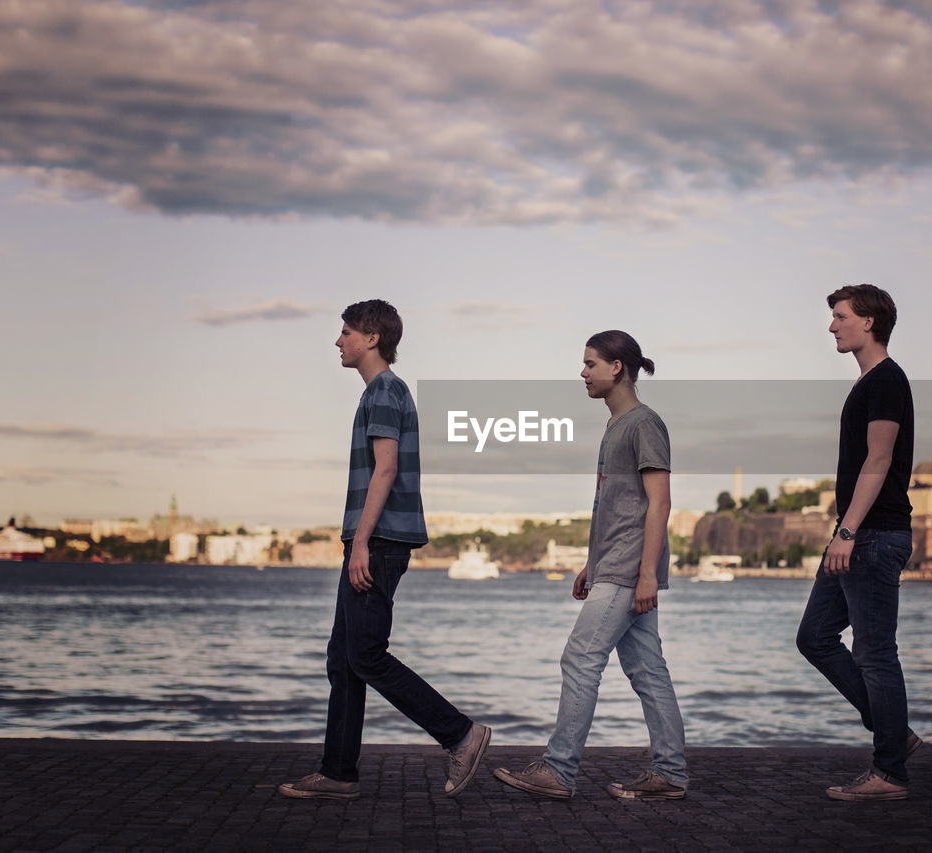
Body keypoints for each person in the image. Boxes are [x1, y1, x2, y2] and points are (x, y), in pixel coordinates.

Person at [279, 299, 490, 801]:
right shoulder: (383, 393)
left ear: (372, 338)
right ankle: (337, 773)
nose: (338, 341)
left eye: (346, 332)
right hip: (375, 540)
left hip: (378, 542)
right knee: (345, 659)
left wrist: (361, 544)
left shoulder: (385, 393)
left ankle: (460, 734)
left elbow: (386, 469)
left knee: (367, 656)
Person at [494, 330, 687, 800]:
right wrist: (591, 563)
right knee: (647, 671)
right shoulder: (616, 425)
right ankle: (671, 774)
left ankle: (558, 770)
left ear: (616, 367)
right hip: (613, 566)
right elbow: (616, 506)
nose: (582, 373)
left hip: (628, 570)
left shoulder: (644, 424)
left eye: (590, 364)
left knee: (580, 659)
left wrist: (644, 575)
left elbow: (658, 505)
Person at [796, 284, 921, 802]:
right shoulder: (869, 383)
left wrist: (847, 532)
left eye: (839, 316)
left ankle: (889, 774)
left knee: (875, 653)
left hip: (871, 534)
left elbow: (879, 459)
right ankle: (893, 732)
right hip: (855, 533)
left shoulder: (886, 381)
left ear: (868, 322)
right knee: (815, 637)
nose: (832, 326)